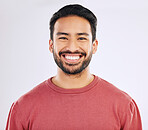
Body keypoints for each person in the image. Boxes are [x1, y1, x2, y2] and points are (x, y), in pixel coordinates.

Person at [6, 4, 142, 130]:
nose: (72, 48)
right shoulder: (22, 108)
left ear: (94, 46)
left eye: (81, 38)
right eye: (63, 38)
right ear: (51, 45)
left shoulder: (124, 106)